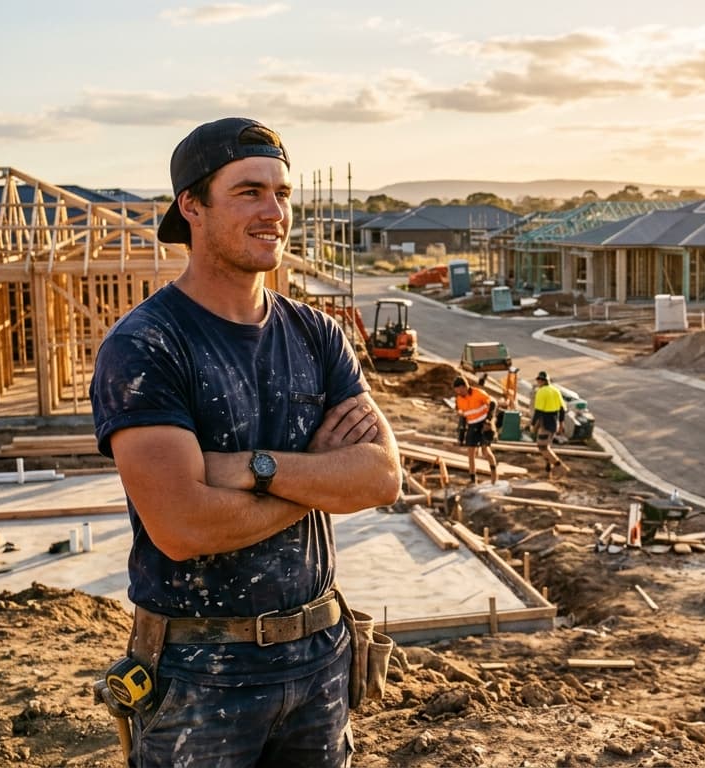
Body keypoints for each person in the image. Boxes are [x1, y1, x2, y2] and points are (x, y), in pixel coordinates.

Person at [90, 117, 402, 768]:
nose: (274, 212)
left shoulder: (317, 335)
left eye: (283, 194)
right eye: (249, 192)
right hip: (203, 674)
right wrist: (319, 478)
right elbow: (182, 525)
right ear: (192, 207)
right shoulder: (147, 346)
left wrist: (255, 469)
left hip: (320, 658)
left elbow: (381, 478)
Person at [453, 376, 498, 484]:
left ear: (464, 387)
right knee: (471, 453)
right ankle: (473, 480)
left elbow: (493, 403)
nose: (458, 392)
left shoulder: (478, 393)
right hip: (472, 426)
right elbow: (462, 417)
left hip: (484, 424)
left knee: (485, 451)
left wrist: (489, 420)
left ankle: (494, 478)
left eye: (459, 390)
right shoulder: (459, 400)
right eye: (456, 391)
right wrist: (461, 436)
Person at [529, 370, 569, 476]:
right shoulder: (556, 391)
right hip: (553, 422)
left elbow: (538, 411)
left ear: (542, 381)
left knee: (542, 447)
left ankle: (559, 466)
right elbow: (562, 409)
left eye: (539, 380)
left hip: (545, 423)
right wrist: (561, 423)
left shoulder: (541, 392)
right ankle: (548, 470)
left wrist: (532, 425)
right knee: (547, 446)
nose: (538, 382)